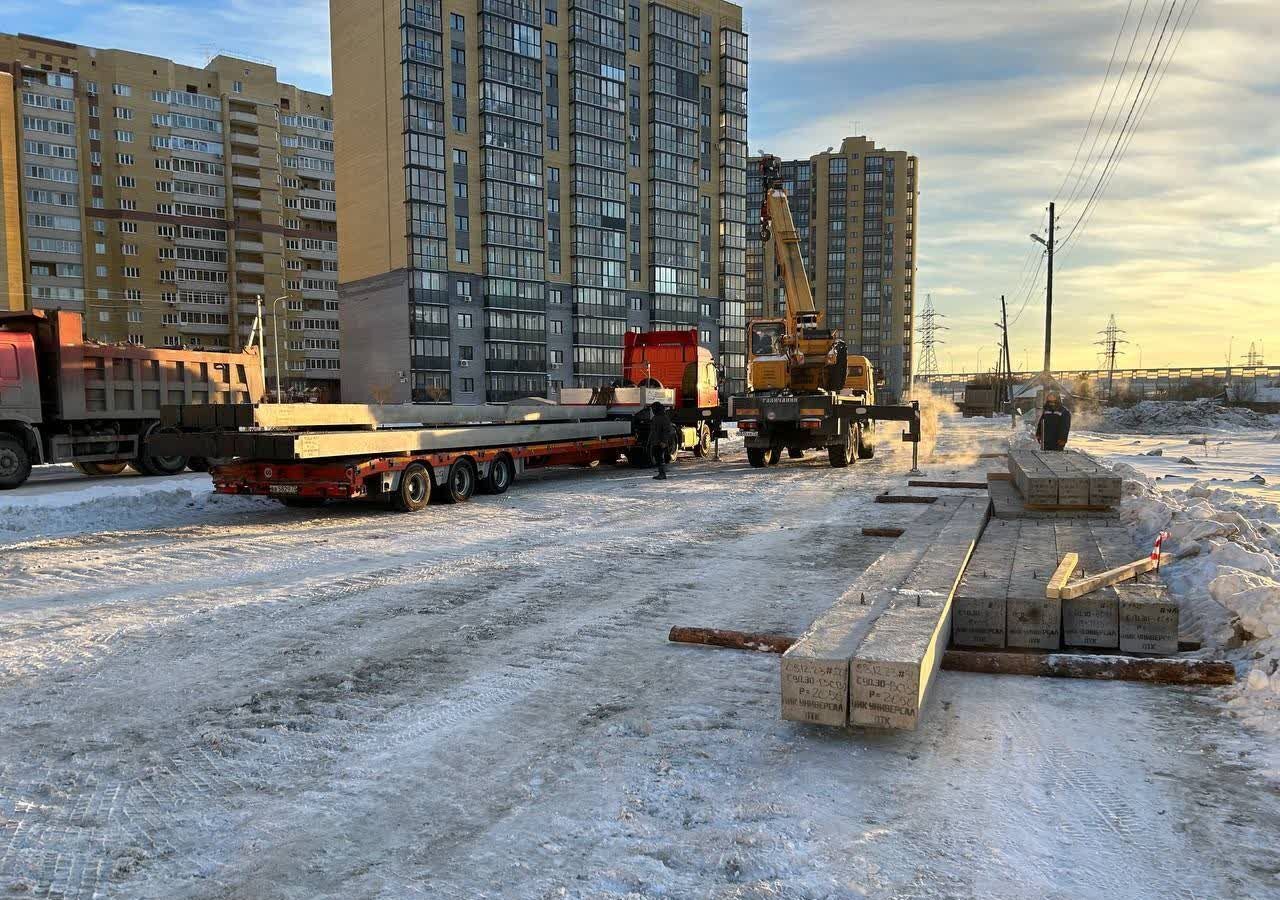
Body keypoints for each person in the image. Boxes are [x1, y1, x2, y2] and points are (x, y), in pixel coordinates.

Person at [648, 401, 675, 479]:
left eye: (653, 409)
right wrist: (650, 441)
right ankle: (661, 473)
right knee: (657, 457)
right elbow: (653, 431)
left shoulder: (663, 418)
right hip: (656, 441)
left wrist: (664, 441)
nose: (653, 410)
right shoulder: (656, 418)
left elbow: (666, 431)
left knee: (660, 457)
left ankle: (662, 474)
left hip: (661, 442)